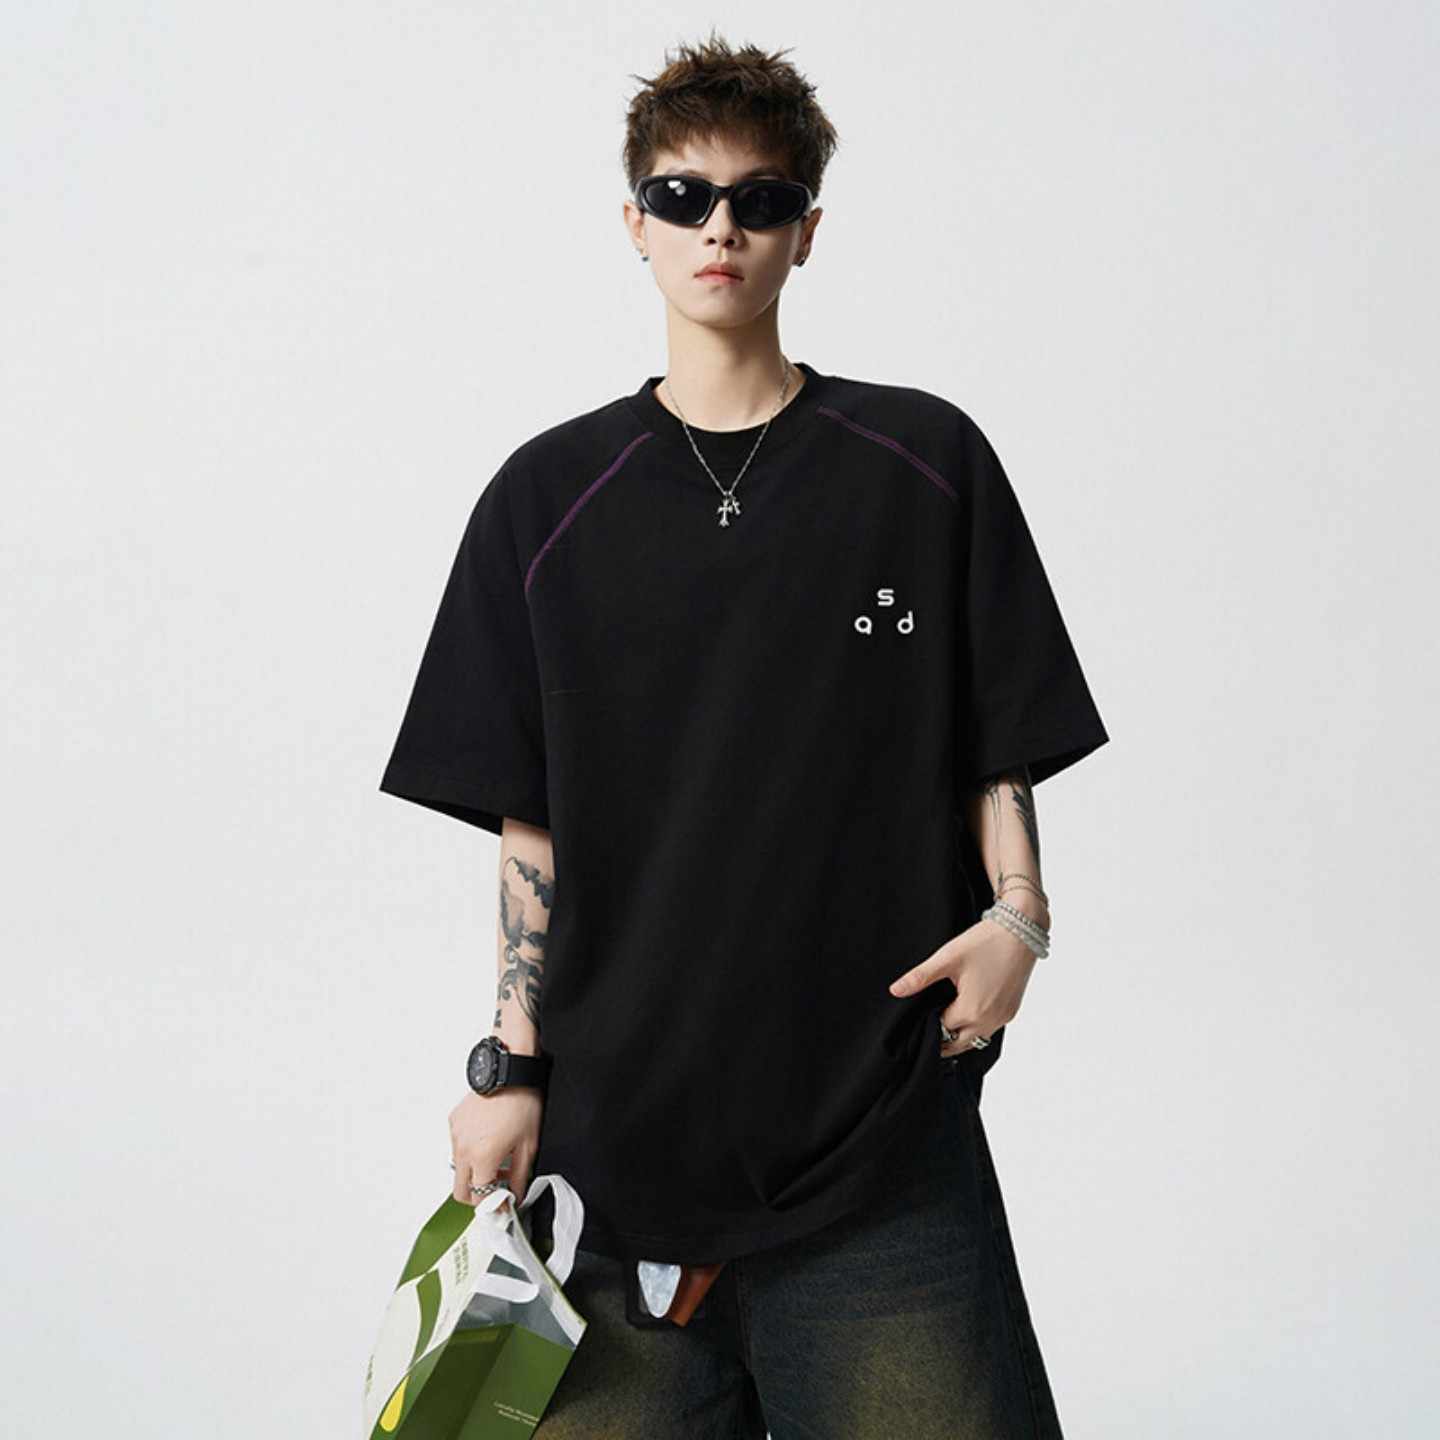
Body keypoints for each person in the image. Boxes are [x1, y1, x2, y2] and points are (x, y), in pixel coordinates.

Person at [378, 31, 1109, 1440]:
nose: (720, 228)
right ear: (635, 224)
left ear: (806, 230)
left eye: (759, 200)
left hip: (880, 1156)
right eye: (684, 196)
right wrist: (509, 1069)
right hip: (608, 1169)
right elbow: (530, 825)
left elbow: (993, 728)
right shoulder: (545, 502)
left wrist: (1018, 914)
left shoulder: (924, 465)